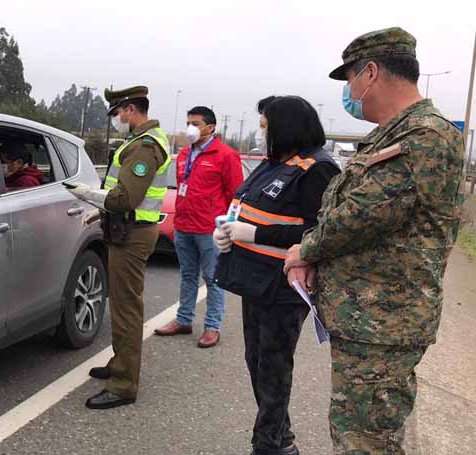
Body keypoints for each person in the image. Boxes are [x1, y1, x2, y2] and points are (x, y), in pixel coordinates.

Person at [282, 27, 465, 455]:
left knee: (366, 442)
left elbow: (362, 215)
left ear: (370, 72)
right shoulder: (391, 134)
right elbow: (346, 208)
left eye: (349, 81)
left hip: (384, 323)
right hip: (368, 320)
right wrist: (314, 251)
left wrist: (304, 249)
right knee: (358, 434)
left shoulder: (425, 136)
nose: (351, 93)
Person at [212, 96, 339, 455]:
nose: (261, 131)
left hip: (283, 288)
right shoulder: (273, 164)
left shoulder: (317, 169)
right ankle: (281, 440)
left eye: (265, 125)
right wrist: (227, 230)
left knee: (273, 369)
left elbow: (320, 232)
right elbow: (246, 207)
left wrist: (252, 235)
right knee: (257, 362)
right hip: (253, 280)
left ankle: (268, 445)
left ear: (285, 126)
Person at [66, 86, 171, 409]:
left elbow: (126, 198)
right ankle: (119, 364)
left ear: (130, 109)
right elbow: (122, 198)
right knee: (122, 304)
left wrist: (86, 194)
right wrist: (102, 210)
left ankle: (124, 384)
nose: (114, 120)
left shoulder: (144, 147)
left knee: (126, 309)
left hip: (133, 234)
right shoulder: (139, 141)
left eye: (116, 114)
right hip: (126, 227)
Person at [154, 106, 243, 348]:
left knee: (214, 279)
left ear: (211, 127)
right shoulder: (183, 154)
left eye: (196, 123)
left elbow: (235, 195)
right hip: (183, 226)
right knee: (187, 276)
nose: (190, 127)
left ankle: (212, 327)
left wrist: (226, 227)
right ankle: (184, 320)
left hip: (209, 230)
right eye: (188, 122)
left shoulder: (225, 155)